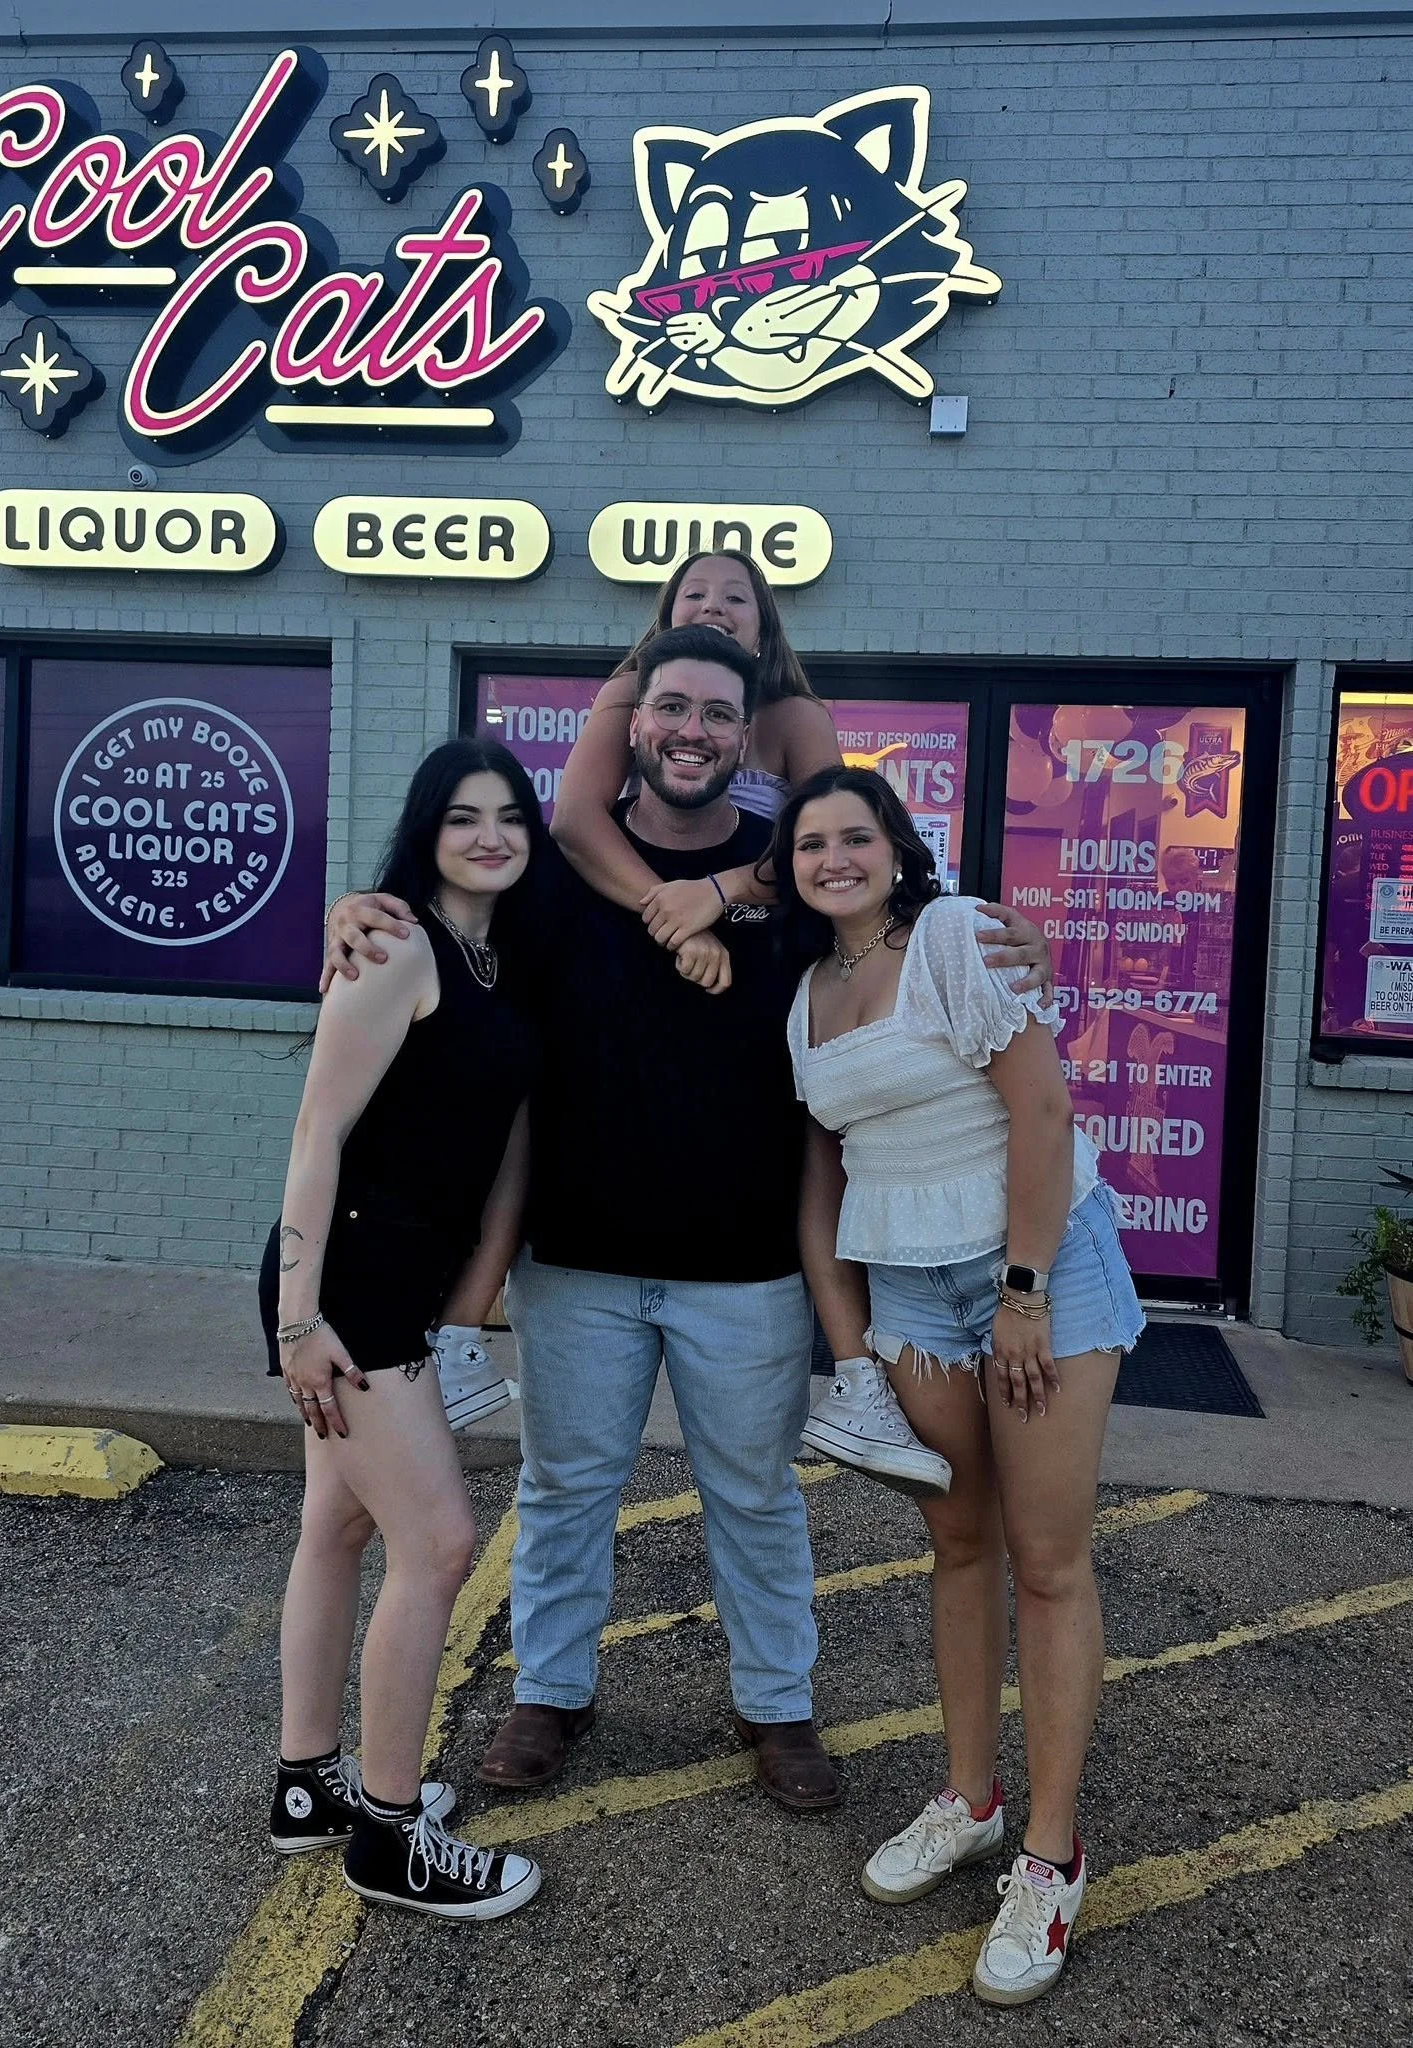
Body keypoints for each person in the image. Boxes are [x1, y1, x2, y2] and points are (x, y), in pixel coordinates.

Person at [326, 628, 1056, 1811]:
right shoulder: (556, 873)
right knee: (566, 1487)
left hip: (748, 1266)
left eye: (717, 714)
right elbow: (448, 914)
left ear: (744, 734)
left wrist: (1022, 935)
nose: (690, 731)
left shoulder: (788, 875)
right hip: (576, 1262)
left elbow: (903, 930)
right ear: (635, 720)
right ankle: (548, 1691)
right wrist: (360, 909)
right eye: (671, 706)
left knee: (754, 1494)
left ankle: (776, 1706)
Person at [775, 765, 1145, 2006]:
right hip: (911, 1293)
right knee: (957, 1544)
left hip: (1034, 1265)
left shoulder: (954, 935)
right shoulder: (806, 998)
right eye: (809, 841)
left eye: (854, 835)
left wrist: (1026, 1290)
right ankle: (969, 1800)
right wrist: (849, 1332)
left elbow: (1039, 1113)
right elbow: (823, 1174)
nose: (833, 856)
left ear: (895, 846)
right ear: (789, 867)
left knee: (1045, 1557)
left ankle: (1051, 1851)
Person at [260, 739, 543, 1921]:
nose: (488, 833)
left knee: (334, 1526)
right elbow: (317, 1131)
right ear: (424, 829)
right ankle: (388, 1832)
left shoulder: (488, 954)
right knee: (436, 1543)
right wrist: (296, 1318)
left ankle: (306, 1784)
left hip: (386, 1282)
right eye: (461, 815)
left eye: (508, 814)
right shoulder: (395, 946)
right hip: (347, 1288)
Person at [550, 549, 842, 983]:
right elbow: (575, 820)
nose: (713, 605)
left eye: (736, 598)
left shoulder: (797, 716)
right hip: (631, 917)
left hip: (761, 929)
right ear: (667, 620)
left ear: (764, 632)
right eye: (695, 593)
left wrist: (720, 891)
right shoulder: (627, 692)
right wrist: (678, 919)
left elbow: (837, 841)